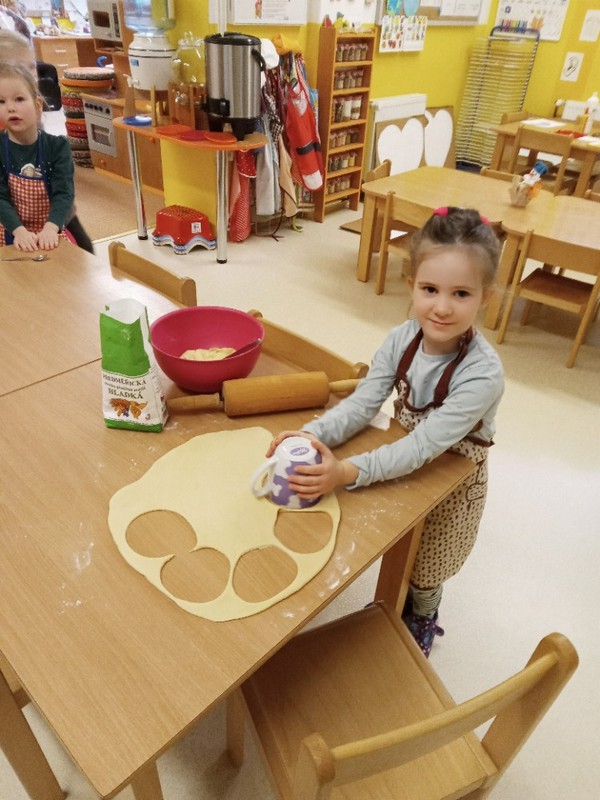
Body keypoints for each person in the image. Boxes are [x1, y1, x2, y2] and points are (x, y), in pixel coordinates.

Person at [267, 207, 504, 657]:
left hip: (452, 476)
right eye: (430, 289)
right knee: (394, 540)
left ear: (485, 297)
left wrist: (345, 472)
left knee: (427, 565)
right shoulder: (401, 339)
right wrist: (311, 435)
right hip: (402, 455)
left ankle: (425, 612)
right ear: (411, 284)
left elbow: (423, 446)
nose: (442, 307)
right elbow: (363, 404)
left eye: (461, 293)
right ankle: (397, 599)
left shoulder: (482, 375)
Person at [0, 29, 94, 252]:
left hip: (54, 215)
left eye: (32, 66)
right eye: (19, 69)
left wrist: (55, 221)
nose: (31, 75)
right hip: (12, 223)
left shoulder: (50, 138)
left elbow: (62, 186)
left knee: (83, 250)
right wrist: (17, 229)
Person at [0, 62, 75, 250]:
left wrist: (51, 228)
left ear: (38, 105)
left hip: (49, 232)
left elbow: (64, 194)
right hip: (9, 231)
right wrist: (19, 231)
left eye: (19, 99)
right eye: (1, 102)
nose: (10, 108)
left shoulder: (58, 147)